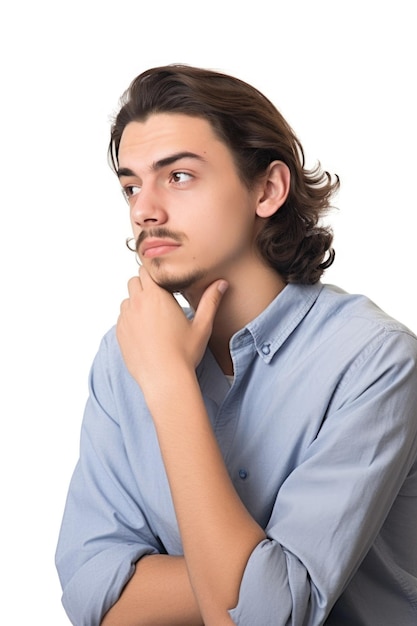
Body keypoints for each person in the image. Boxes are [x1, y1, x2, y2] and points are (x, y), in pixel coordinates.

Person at [55, 64, 417, 626]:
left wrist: (172, 385)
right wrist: (259, 574)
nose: (144, 210)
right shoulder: (125, 354)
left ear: (267, 189)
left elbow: (267, 619)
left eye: (177, 177)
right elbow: (91, 598)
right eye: (131, 185)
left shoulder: (374, 360)